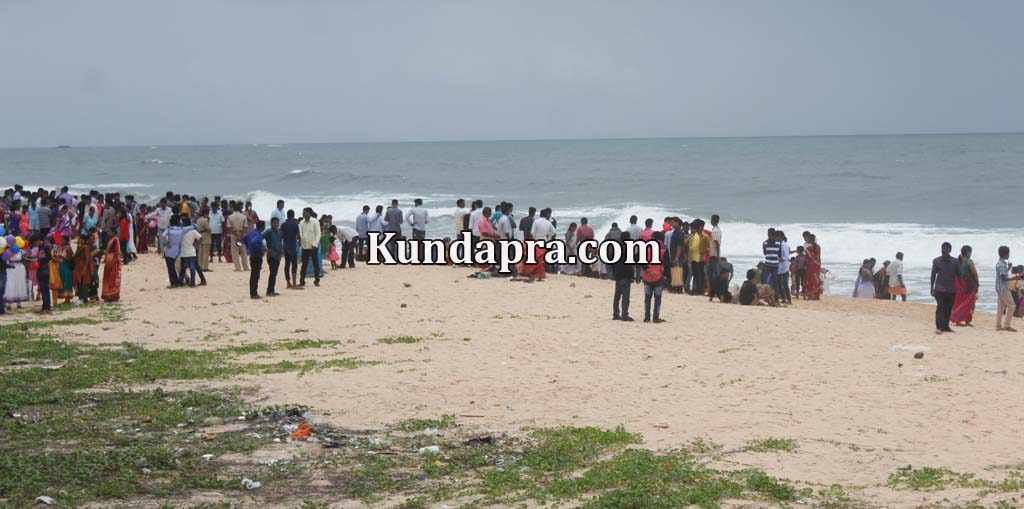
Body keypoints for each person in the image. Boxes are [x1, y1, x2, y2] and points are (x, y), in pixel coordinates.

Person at [930, 242, 959, 334]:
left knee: (948, 309)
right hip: (939, 289)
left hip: (951, 289)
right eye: (942, 249)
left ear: (950, 250)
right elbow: (933, 275)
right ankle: (939, 327)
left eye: (946, 250)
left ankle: (946, 326)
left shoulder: (955, 261)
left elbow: (959, 274)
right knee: (940, 308)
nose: (943, 251)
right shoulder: (936, 261)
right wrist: (931, 287)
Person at [641, 231, 667, 323]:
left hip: (647, 276)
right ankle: (656, 317)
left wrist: (647, 270)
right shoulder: (664, 248)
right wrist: (666, 276)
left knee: (647, 298)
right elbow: (667, 265)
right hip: (659, 276)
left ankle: (646, 317)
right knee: (658, 298)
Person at [950, 245, 978, 326]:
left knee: (958, 302)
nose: (971, 254)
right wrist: (977, 284)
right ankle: (967, 321)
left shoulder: (957, 261)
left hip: (958, 285)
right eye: (970, 252)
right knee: (971, 302)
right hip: (968, 285)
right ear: (968, 252)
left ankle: (957, 320)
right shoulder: (969, 262)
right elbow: (974, 274)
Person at [995, 246, 1021, 332]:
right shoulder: (1002, 265)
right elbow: (1003, 278)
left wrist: (1008, 268)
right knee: (1012, 305)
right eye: (1008, 253)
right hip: (1003, 288)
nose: (1009, 255)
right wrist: (1015, 278)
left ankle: (998, 326)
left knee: (1001, 306)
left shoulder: (1000, 263)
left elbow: (1002, 275)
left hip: (999, 287)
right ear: (1005, 254)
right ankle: (1007, 325)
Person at [611, 232, 635, 321]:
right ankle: (624, 314)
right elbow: (629, 265)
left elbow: (612, 262)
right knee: (625, 296)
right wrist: (632, 276)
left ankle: (615, 314)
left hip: (618, 274)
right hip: (625, 275)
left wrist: (614, 273)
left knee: (617, 295)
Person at [243, 220, 267, 299]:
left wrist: (248, 247)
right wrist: (260, 249)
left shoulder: (251, 233)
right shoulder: (258, 235)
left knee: (253, 275)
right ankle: (254, 293)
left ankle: (253, 292)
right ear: (263, 227)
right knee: (255, 275)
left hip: (252, 256)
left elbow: (244, 238)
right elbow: (254, 242)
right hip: (257, 256)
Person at [178, 217, 204, 287]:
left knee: (183, 269)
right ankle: (192, 283)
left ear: (184, 223)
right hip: (192, 252)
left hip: (183, 253)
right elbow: (201, 238)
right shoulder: (193, 231)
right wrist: (196, 245)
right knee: (192, 269)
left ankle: (180, 283)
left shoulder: (181, 231)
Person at [299, 207, 321, 287]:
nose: (303, 214)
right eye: (303, 212)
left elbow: (318, 234)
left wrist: (315, 244)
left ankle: (317, 280)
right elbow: (300, 233)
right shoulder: (301, 223)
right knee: (304, 264)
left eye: (304, 212)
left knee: (316, 264)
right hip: (305, 247)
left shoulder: (315, 222)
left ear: (309, 213)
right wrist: (302, 242)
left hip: (313, 247)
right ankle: (302, 281)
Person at [226, 203, 250, 271]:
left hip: (234, 234)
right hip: (242, 235)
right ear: (240, 209)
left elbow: (229, 228)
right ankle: (245, 266)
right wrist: (241, 235)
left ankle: (238, 267)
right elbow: (245, 227)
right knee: (243, 251)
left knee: (235, 252)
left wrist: (236, 234)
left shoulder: (230, 217)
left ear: (233, 208)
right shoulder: (243, 216)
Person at [263, 217, 283, 296]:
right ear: (271, 223)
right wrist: (265, 249)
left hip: (278, 256)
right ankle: (269, 291)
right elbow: (260, 238)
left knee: (275, 274)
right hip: (271, 255)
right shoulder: (268, 231)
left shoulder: (278, 232)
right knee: (272, 273)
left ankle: (272, 290)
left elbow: (279, 242)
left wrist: (281, 253)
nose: (276, 224)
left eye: (277, 223)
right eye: (275, 223)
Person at [281, 210, 300, 289]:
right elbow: (298, 236)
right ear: (293, 215)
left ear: (287, 215)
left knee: (287, 265)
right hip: (292, 246)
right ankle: (294, 284)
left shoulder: (283, 225)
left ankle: (288, 283)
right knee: (294, 265)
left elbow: (280, 235)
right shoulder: (295, 225)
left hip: (285, 246)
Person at [100, 235, 122, 301]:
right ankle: (113, 295)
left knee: (108, 278)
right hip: (112, 259)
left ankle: (108, 295)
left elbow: (116, 250)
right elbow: (118, 252)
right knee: (112, 278)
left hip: (110, 259)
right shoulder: (114, 239)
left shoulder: (115, 239)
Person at [802, 232, 822, 300]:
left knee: (809, 280)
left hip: (810, 265)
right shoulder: (818, 247)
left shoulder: (808, 248)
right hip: (817, 265)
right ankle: (816, 296)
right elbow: (819, 257)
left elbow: (807, 257)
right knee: (816, 280)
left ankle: (810, 295)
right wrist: (819, 265)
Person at [776, 230, 791, 304]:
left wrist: (777, 259)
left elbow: (784, 257)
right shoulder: (783, 245)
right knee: (780, 284)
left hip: (783, 267)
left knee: (784, 284)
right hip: (782, 267)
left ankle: (788, 300)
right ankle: (785, 299)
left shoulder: (784, 245)